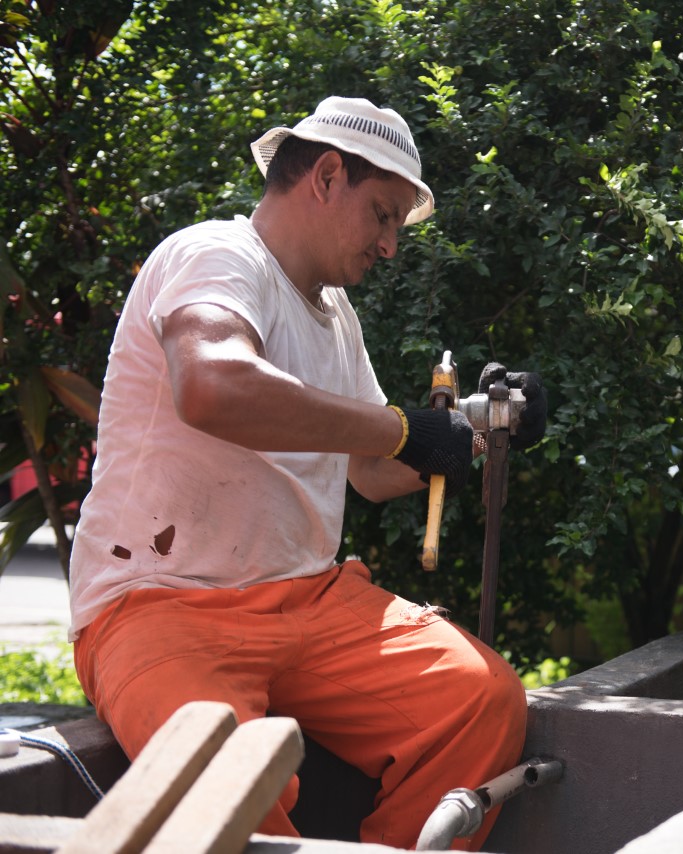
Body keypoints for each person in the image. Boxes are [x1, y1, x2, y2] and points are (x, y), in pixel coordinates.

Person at [68, 96, 546, 851]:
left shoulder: (335, 316)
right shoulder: (216, 256)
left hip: (306, 600)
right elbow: (213, 386)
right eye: (384, 215)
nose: (390, 246)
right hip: (160, 605)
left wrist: (479, 435)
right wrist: (401, 429)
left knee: (477, 699)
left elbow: (369, 468)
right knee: (229, 788)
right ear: (326, 176)